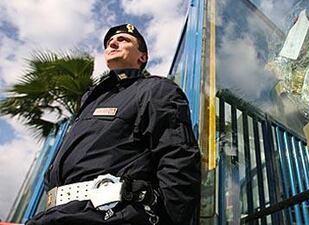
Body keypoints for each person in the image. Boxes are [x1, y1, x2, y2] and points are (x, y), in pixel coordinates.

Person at [27, 23, 201, 225]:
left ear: (142, 57)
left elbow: (178, 157)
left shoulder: (156, 89)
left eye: (124, 40)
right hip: (54, 215)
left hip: (108, 215)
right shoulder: (90, 102)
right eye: (110, 42)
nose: (114, 43)